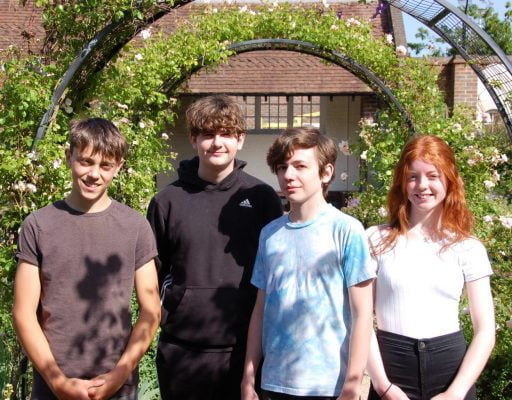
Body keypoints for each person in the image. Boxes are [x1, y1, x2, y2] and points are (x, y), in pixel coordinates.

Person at [12, 118, 161, 400]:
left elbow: (151, 311)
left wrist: (119, 375)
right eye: (86, 162)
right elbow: (23, 312)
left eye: (105, 165)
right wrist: (58, 381)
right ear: (69, 157)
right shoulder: (39, 225)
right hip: (53, 381)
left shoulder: (135, 226)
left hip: (117, 384)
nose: (94, 174)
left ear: (118, 167)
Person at [147, 94, 283, 400]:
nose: (217, 143)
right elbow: (153, 275)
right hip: (183, 351)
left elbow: (276, 271)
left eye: (226, 134)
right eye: (208, 134)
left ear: (240, 140)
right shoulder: (167, 201)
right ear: (194, 139)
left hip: (247, 351)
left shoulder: (262, 197)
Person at [241, 127, 375, 400]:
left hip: (329, 387)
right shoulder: (270, 234)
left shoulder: (347, 231)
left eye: (300, 166)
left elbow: (363, 315)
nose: (288, 175)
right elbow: (260, 310)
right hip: (275, 383)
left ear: (326, 172)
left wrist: (353, 383)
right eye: (282, 167)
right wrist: (248, 376)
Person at [366, 135, 495, 400]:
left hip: (451, 373)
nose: (422, 185)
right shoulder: (374, 240)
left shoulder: (467, 247)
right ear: (402, 182)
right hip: (391, 372)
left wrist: (455, 393)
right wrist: (383, 386)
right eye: (413, 176)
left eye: (433, 176)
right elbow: (360, 320)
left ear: (448, 180)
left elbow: (485, 330)